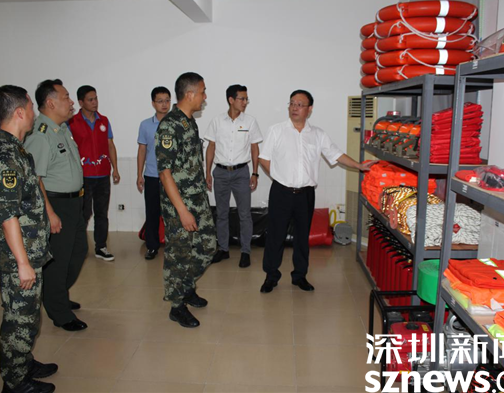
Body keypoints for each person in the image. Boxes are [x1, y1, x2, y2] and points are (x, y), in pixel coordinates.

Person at [0, 85, 57, 393]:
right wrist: (23, 263)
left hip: (26, 250)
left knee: (27, 315)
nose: (34, 112)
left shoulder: (14, 148)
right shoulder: (4, 155)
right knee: (19, 318)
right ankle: (15, 382)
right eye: (31, 106)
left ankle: (23, 362)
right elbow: (7, 214)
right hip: (17, 257)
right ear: (19, 113)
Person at [258, 90, 368, 293]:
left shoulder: (318, 134)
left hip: (305, 194)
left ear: (309, 109)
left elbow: (336, 154)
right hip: (281, 192)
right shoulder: (276, 130)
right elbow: (263, 158)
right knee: (275, 236)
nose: (294, 108)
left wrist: (359, 166)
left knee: (302, 237)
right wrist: (279, 177)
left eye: (300, 104)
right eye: (292, 103)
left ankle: (300, 276)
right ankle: (271, 276)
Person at [24, 79, 88, 332]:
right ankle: (60, 312)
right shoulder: (40, 135)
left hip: (74, 203)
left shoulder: (61, 129)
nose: (71, 102)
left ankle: (55, 293)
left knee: (78, 252)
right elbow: (35, 178)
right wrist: (49, 213)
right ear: (50, 103)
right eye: (66, 97)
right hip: (56, 204)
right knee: (58, 260)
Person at [155, 72, 216, 328]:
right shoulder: (169, 126)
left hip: (197, 198)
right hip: (178, 203)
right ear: (190, 94)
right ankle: (177, 305)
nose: (204, 97)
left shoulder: (190, 122)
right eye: (202, 92)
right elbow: (165, 172)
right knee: (179, 254)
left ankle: (187, 287)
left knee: (207, 246)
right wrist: (182, 211)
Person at [205, 85, 262, 268]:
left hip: (241, 173)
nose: (245, 102)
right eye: (242, 99)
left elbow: (254, 148)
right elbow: (211, 147)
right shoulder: (217, 121)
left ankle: (245, 251)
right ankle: (223, 249)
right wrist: (207, 172)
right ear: (231, 100)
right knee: (221, 214)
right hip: (220, 172)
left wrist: (255, 173)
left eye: (246, 99)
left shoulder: (250, 122)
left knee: (244, 214)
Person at [69, 85, 120, 261]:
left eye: (96, 98)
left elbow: (110, 145)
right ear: (81, 102)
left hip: (103, 175)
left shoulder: (103, 121)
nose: (94, 102)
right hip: (83, 177)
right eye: (90, 99)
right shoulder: (72, 123)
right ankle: (79, 248)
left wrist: (115, 168)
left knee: (101, 213)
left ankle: (101, 247)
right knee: (83, 214)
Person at [137, 86, 171, 260]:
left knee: (172, 213)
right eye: (160, 101)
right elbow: (142, 150)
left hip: (172, 177)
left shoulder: (176, 124)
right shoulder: (145, 125)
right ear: (153, 103)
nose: (164, 104)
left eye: (167, 100)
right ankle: (152, 246)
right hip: (152, 175)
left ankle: (174, 246)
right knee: (152, 212)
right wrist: (139, 174)